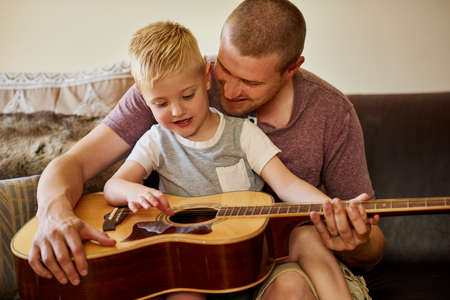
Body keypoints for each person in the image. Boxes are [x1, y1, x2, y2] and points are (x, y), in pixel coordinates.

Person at [30, 0, 385, 299]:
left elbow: (371, 249)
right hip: (191, 261)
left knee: (294, 280)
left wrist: (357, 237)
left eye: (250, 82)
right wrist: (53, 211)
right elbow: (72, 165)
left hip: (271, 260)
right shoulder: (176, 82)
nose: (228, 92)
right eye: (224, 72)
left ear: (292, 68)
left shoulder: (331, 114)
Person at [103, 20, 352, 300]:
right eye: (161, 103)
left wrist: (332, 207)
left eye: (188, 95)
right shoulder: (156, 141)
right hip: (191, 265)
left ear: (207, 79)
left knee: (306, 237)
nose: (177, 110)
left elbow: (286, 184)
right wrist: (134, 190)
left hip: (251, 256)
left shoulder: (243, 133)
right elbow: (113, 187)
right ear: (142, 97)